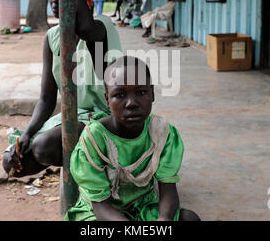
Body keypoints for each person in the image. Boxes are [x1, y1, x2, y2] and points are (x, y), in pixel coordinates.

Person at [2, 0, 122, 177]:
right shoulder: (51, 37)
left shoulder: (101, 27)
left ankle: (96, 180)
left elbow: (83, 28)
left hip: (107, 118)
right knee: (12, 162)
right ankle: (86, 172)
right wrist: (27, 134)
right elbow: (46, 99)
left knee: (45, 146)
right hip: (74, 117)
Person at [65, 56, 201, 221]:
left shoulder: (161, 132)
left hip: (142, 207)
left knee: (189, 218)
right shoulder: (94, 139)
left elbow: (168, 190)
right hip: (100, 214)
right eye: (120, 94)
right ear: (107, 100)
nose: (131, 103)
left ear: (152, 94)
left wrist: (164, 219)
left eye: (141, 92)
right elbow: (101, 206)